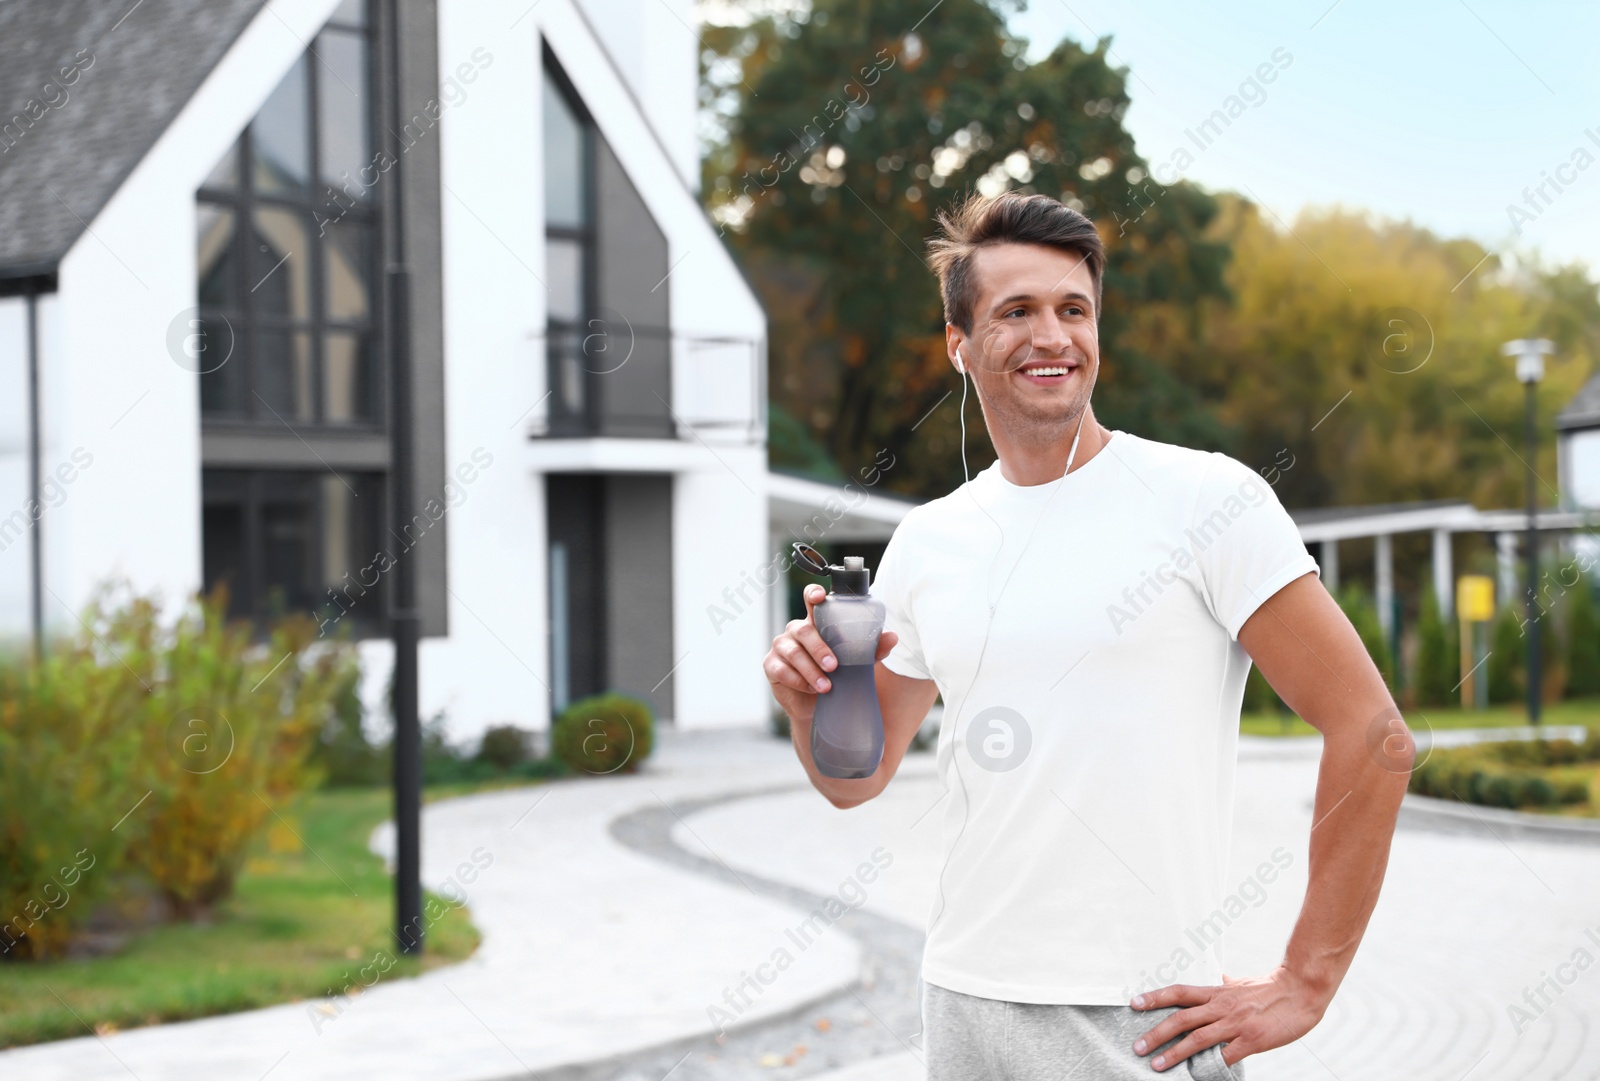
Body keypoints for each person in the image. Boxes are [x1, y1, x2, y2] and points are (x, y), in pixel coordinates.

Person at [761, 190, 1414, 1079]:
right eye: (1016, 311)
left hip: (1139, 1020)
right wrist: (806, 705)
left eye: (1074, 310)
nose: (1053, 336)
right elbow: (857, 776)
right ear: (958, 345)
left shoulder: (1207, 501)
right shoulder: (928, 542)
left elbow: (1375, 735)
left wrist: (1305, 980)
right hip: (962, 1002)